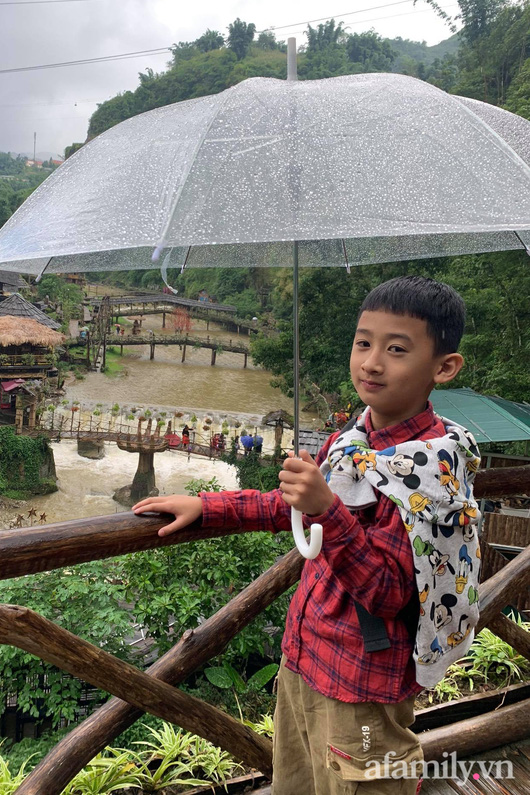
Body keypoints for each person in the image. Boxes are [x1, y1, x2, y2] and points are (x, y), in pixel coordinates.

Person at [133, 276, 481, 794]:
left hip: (364, 680)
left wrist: (327, 510)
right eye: (363, 343)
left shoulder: (429, 470)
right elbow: (289, 506)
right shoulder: (353, 440)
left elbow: (388, 593)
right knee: (296, 782)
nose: (372, 362)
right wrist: (208, 506)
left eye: (397, 349)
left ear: (444, 367)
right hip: (304, 656)